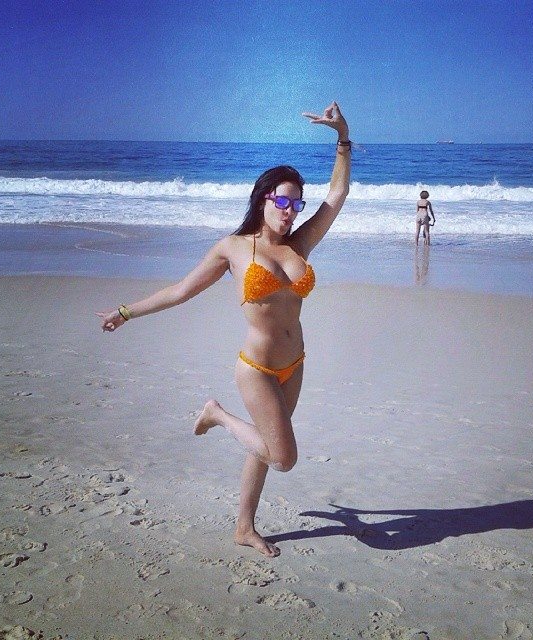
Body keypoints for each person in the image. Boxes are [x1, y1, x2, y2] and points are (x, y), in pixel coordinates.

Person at [96, 102, 351, 558]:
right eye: (283, 201)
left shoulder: (300, 244)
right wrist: (126, 311)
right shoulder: (233, 248)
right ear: (264, 198)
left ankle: (243, 527)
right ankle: (217, 414)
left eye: (297, 204)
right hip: (257, 369)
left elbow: (337, 194)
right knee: (283, 456)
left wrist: (343, 137)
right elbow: (180, 291)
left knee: (264, 447)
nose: (290, 211)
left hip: (295, 364)